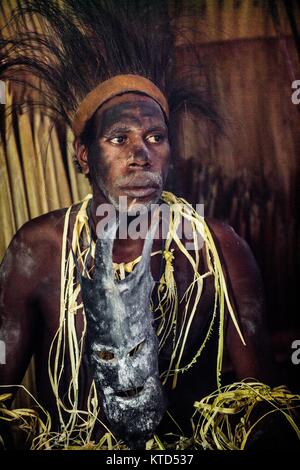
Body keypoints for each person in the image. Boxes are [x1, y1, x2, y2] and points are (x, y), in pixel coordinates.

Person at [0, 0, 296, 450]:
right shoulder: (40, 249)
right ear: (84, 155)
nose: (141, 154)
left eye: (155, 137)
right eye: (119, 139)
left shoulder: (216, 247)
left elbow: (262, 400)